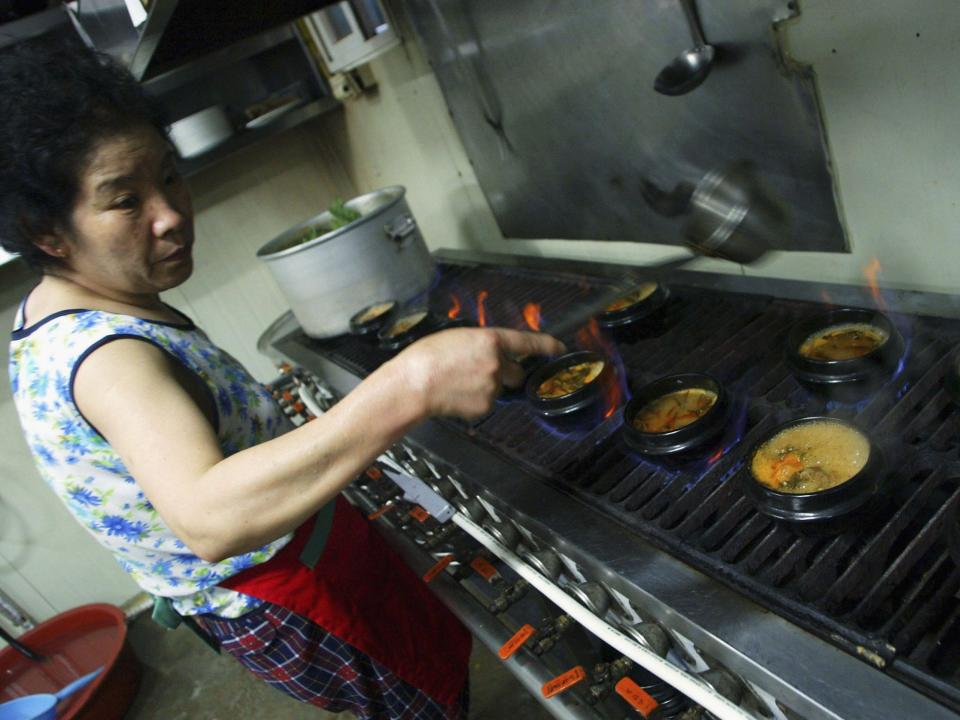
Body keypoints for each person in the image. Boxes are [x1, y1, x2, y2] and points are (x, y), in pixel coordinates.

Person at [1, 38, 564, 719]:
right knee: (417, 703)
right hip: (287, 592)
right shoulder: (108, 359)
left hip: (288, 564)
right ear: (47, 232)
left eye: (169, 176)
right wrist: (409, 383)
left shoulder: (57, 310)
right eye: (125, 201)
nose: (172, 213)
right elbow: (211, 517)